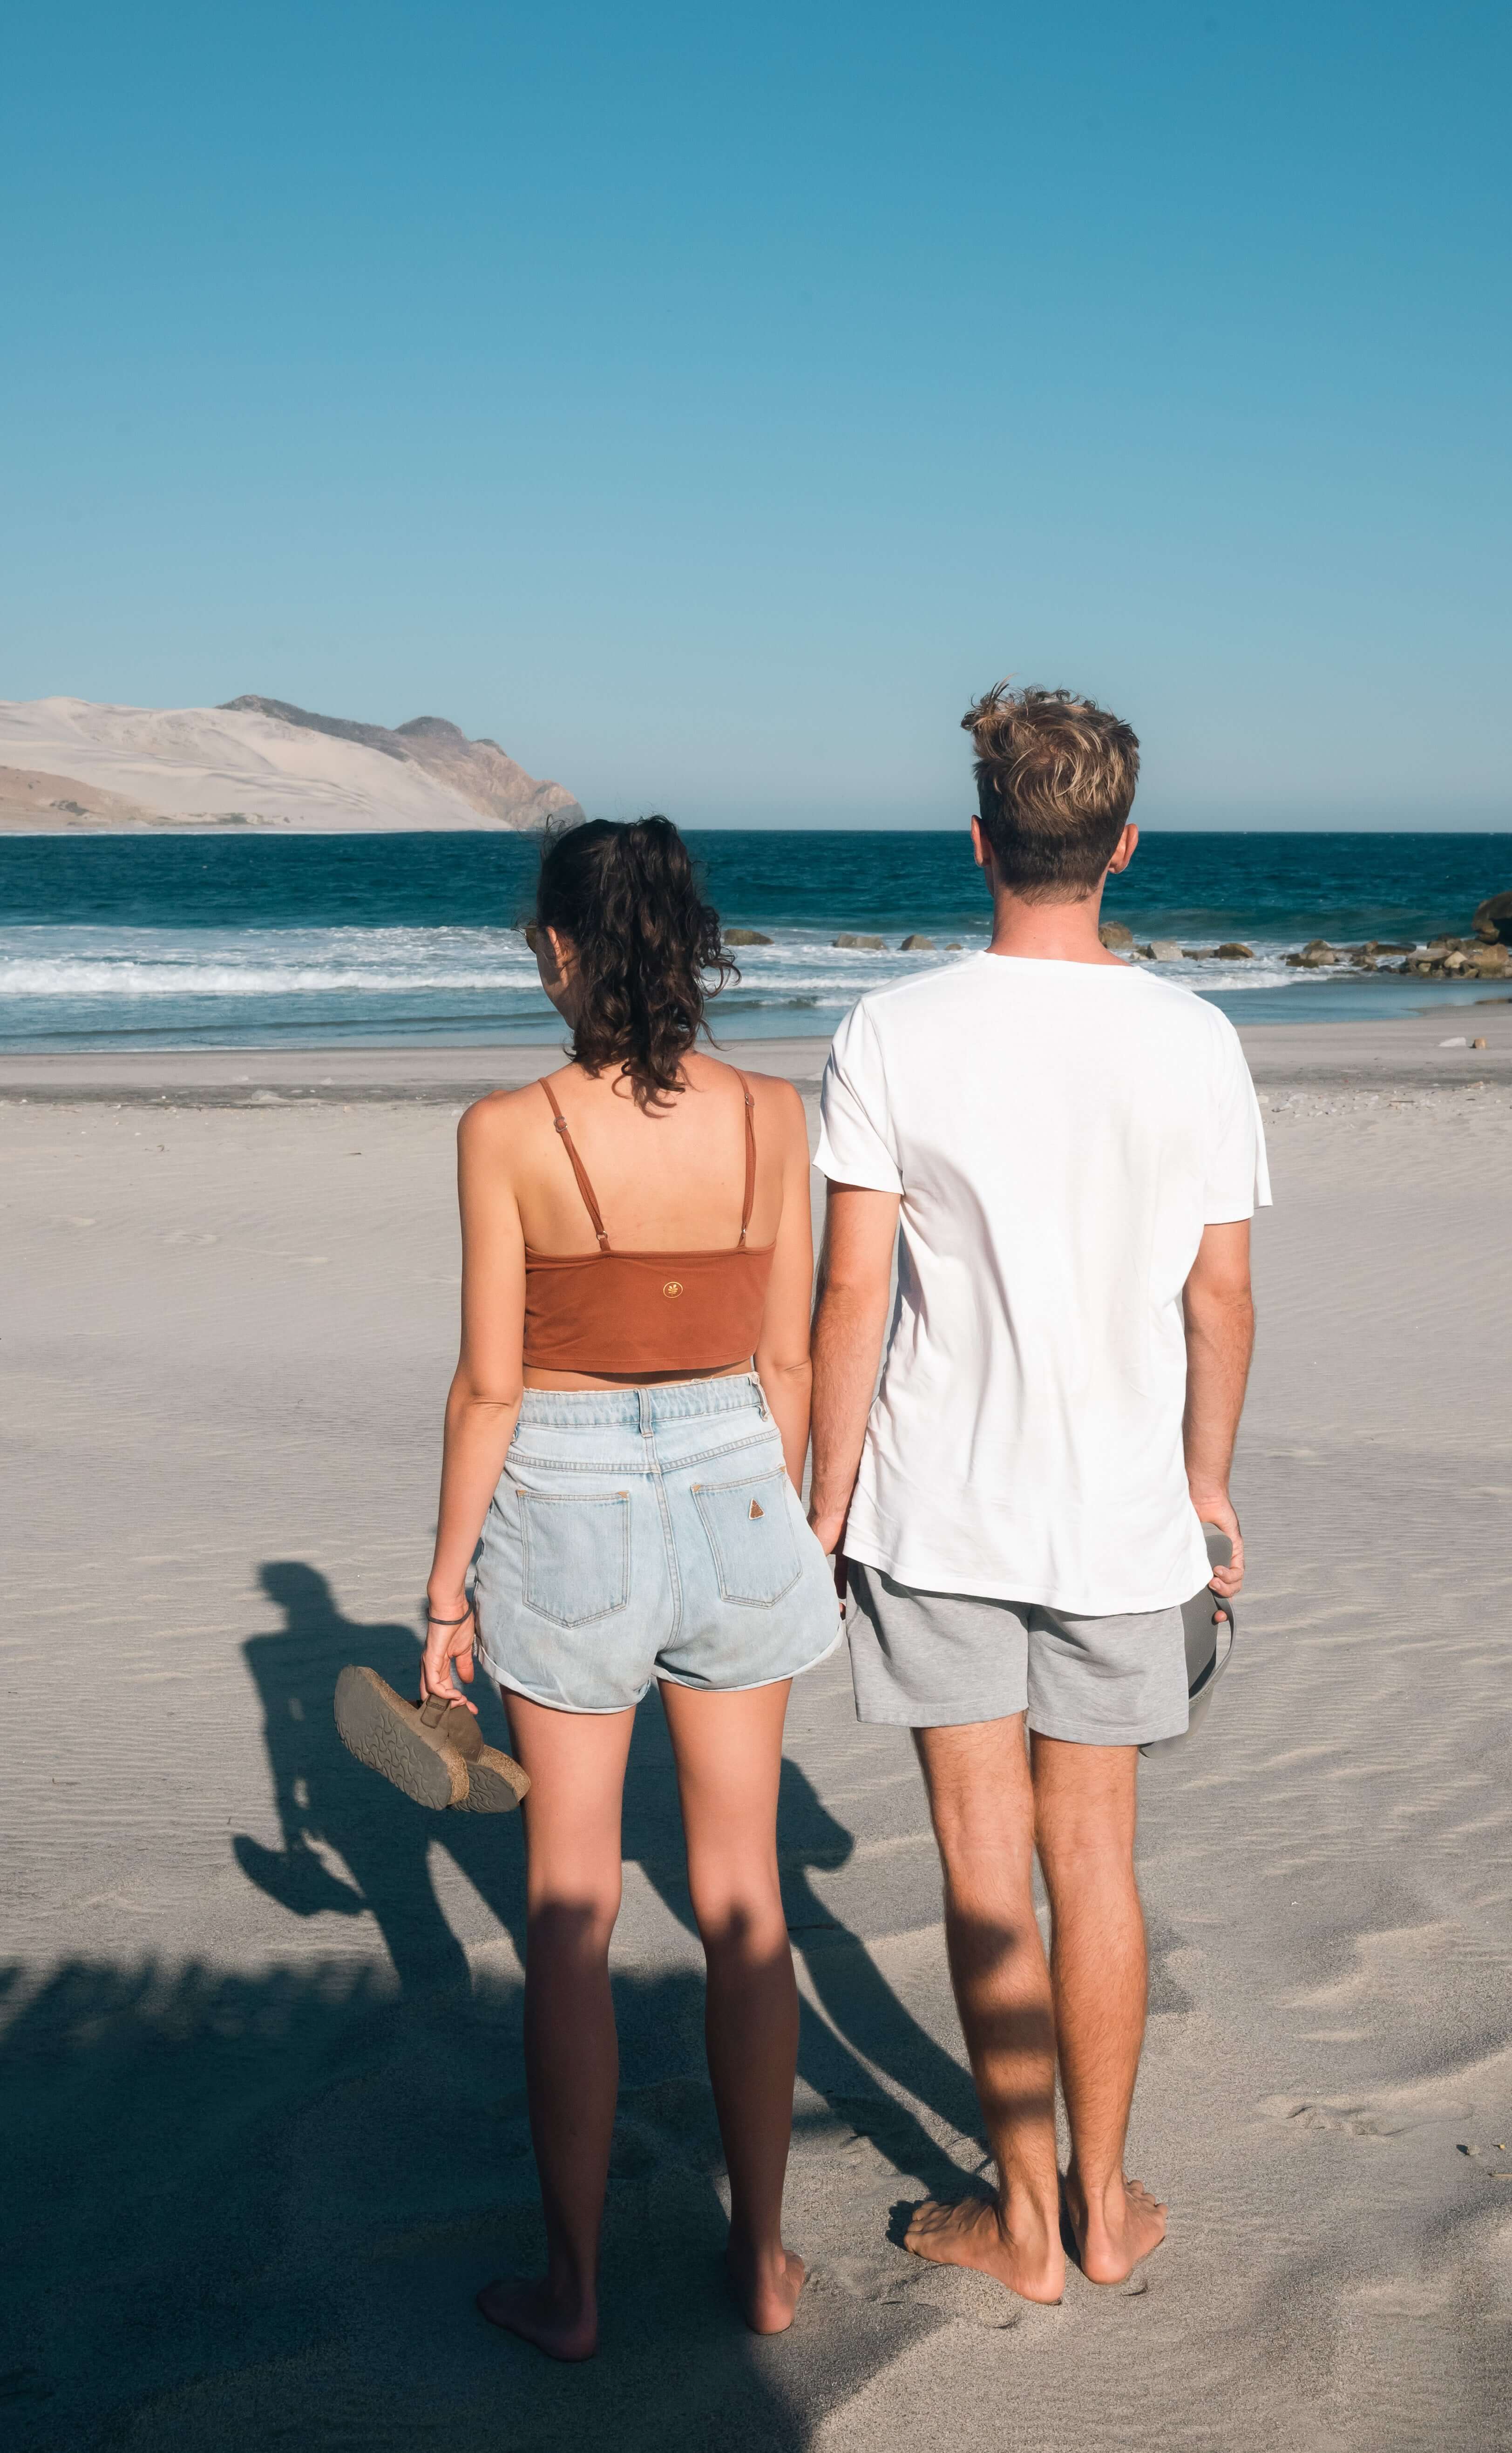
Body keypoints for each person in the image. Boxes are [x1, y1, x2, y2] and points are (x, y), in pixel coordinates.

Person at [807, 684, 1269, 2304]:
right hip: (1121, 1514)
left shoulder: (890, 1032)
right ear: (1123, 844)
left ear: (981, 838)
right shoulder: (1194, 1036)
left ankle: (1017, 2212)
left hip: (934, 1509)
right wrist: (1206, 1481)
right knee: (1098, 1857)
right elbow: (1221, 1302)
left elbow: (849, 1300)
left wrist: (822, 1497)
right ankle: (1102, 2199)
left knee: (981, 1862)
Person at [418, 816, 840, 2359]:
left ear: (556, 948)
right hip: (742, 1473)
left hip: (568, 1493)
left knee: (572, 1910)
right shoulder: (770, 1114)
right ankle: (766, 2263)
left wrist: (447, 1589)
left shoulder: (505, 1128)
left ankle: (577, 2292)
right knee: (744, 1894)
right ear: (691, 943)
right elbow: (788, 1356)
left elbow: (486, 1387)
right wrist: (765, 1514)